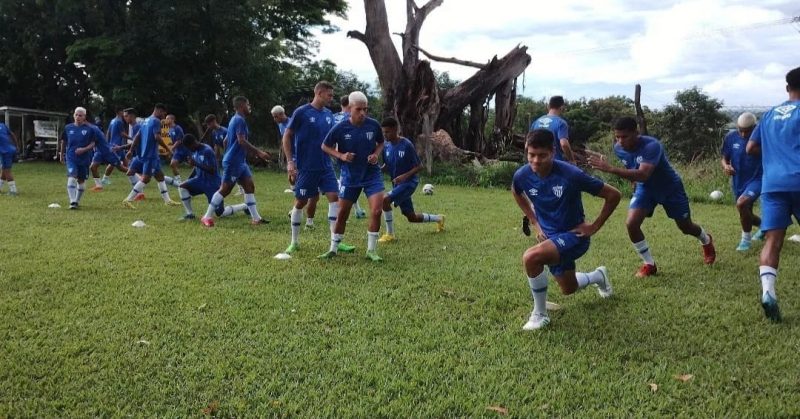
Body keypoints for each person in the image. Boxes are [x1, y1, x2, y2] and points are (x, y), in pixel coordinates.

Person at [513, 129, 620, 330]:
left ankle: (539, 315)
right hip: (550, 238)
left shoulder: (572, 175)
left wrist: (595, 226)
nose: (535, 161)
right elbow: (516, 192)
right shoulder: (522, 175)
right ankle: (598, 276)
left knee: (531, 257)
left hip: (574, 236)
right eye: (531, 155)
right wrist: (534, 221)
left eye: (542, 155)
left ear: (553, 152)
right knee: (568, 288)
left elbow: (613, 195)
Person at [588, 116, 716, 278]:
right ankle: (649, 264)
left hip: (670, 188)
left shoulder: (652, 146)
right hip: (646, 189)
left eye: (624, 136)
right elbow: (633, 167)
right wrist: (633, 181)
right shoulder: (618, 148)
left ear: (636, 132)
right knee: (631, 223)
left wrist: (611, 169)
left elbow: (643, 173)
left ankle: (706, 240)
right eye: (617, 137)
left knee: (686, 227)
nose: (620, 141)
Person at [746, 65, 800, 323]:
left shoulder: (768, 115)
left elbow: (751, 148)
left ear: (788, 88)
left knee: (772, 241)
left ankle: (768, 292)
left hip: (773, 184)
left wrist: (777, 156)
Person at [281, 82, 354, 255]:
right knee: (301, 202)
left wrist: (341, 155)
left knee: (334, 198)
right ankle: (294, 241)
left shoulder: (329, 114)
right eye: (329, 95)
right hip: (306, 167)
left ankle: (335, 240)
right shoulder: (302, 112)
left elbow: (333, 140)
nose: (331, 98)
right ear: (319, 93)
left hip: (326, 166)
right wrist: (290, 162)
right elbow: (287, 135)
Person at [320, 91, 385, 261]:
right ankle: (333, 248)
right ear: (350, 109)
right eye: (359, 109)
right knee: (342, 214)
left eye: (366, 109)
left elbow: (381, 142)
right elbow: (325, 146)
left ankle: (371, 250)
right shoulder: (340, 127)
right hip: (350, 176)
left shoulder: (373, 125)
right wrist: (341, 156)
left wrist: (376, 154)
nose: (363, 113)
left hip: (372, 174)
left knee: (377, 211)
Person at [200, 95, 271, 227]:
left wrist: (230, 153)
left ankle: (256, 218)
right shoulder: (239, 120)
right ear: (241, 106)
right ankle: (206, 216)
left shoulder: (234, 119)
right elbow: (241, 140)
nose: (250, 107)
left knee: (249, 186)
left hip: (240, 162)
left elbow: (226, 140)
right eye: (248, 104)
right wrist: (259, 153)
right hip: (234, 162)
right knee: (225, 189)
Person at [377, 117, 445, 243]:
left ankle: (390, 234)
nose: (385, 135)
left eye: (387, 132)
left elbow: (419, 166)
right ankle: (439, 218)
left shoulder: (406, 145)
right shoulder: (386, 147)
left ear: (395, 130)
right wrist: (377, 169)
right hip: (397, 184)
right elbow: (387, 166)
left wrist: (404, 176)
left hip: (409, 183)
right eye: (383, 132)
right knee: (411, 217)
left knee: (385, 200)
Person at [177, 134, 249, 221]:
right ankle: (190, 214)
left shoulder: (207, 151)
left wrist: (195, 163)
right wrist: (189, 179)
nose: (189, 150)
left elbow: (212, 170)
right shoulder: (195, 151)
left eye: (189, 147)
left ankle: (245, 206)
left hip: (213, 183)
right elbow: (196, 168)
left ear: (193, 143)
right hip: (199, 180)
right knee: (182, 186)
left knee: (220, 213)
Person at [721, 112, 764, 251]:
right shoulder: (730, 137)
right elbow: (724, 157)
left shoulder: (762, 138)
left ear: (754, 127)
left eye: (748, 131)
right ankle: (765, 226)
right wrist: (726, 166)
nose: (744, 134)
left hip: (758, 179)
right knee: (746, 212)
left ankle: (746, 240)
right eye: (741, 130)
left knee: (742, 203)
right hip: (738, 179)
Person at [122, 104, 179, 208]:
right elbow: (157, 137)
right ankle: (128, 200)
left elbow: (137, 137)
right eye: (163, 113)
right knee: (146, 178)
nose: (163, 115)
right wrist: (168, 149)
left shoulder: (145, 121)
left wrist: (131, 150)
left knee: (160, 176)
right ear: (157, 110)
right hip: (150, 155)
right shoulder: (156, 121)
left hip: (147, 155)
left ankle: (167, 200)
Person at [273, 104, 318, 229]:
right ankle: (298, 203)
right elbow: (284, 140)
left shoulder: (293, 122)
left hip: (301, 158)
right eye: (274, 117)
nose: (274, 119)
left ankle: (298, 210)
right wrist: (286, 156)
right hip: (292, 157)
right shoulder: (280, 124)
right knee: (292, 179)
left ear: (282, 114)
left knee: (307, 189)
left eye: (276, 117)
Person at [332, 95, 367, 218]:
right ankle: (348, 211)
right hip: (348, 155)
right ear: (350, 105)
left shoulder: (334, 117)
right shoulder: (349, 118)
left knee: (345, 182)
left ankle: (357, 209)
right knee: (347, 183)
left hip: (334, 153)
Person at [60, 107, 96, 209]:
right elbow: (63, 142)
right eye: (76, 115)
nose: (78, 117)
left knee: (81, 181)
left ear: (84, 117)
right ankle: (72, 201)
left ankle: (77, 200)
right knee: (72, 177)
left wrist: (84, 149)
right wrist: (61, 154)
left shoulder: (90, 129)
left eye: (80, 115)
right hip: (71, 157)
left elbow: (93, 143)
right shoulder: (68, 128)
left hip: (84, 159)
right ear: (73, 115)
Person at [530, 96, 575, 164]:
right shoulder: (561, 123)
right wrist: (572, 160)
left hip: (537, 163)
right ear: (562, 107)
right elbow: (564, 144)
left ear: (548, 107)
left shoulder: (536, 122)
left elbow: (528, 144)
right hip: (554, 164)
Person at [88, 121, 128, 192]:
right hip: (99, 152)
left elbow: (92, 142)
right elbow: (108, 133)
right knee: (93, 167)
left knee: (121, 168)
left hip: (108, 151)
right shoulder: (114, 121)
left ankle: (137, 177)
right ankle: (99, 186)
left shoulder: (94, 129)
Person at [101, 107, 130, 185]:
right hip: (117, 145)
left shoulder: (112, 121)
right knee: (113, 163)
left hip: (114, 144)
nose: (124, 114)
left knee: (125, 160)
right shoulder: (119, 121)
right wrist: (131, 137)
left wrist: (107, 143)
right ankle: (105, 178)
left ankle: (132, 176)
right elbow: (122, 133)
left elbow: (108, 132)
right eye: (123, 112)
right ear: (119, 112)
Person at [166, 114, 187, 185]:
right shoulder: (169, 129)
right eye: (166, 119)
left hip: (185, 150)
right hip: (178, 151)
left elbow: (179, 141)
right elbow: (173, 141)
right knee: (172, 164)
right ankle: (179, 182)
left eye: (168, 119)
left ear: (173, 120)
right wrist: (172, 151)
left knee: (194, 164)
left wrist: (171, 149)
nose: (166, 120)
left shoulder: (178, 128)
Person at [0, 122, 19, 196]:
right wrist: (16, 145)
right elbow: (12, 134)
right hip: (11, 149)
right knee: (4, 169)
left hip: (5, 152)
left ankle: (13, 191)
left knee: (7, 171)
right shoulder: (2, 125)